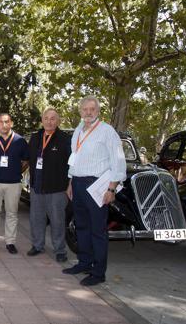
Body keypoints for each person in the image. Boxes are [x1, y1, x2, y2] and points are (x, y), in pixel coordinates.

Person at [63, 96, 126, 286]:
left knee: (98, 230)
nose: (88, 113)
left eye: (92, 109)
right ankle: (84, 263)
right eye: (85, 109)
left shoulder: (107, 132)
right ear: (80, 111)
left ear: (98, 111)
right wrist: (70, 182)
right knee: (81, 226)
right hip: (78, 184)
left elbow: (118, 161)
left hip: (98, 185)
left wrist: (111, 188)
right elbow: (74, 159)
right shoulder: (77, 131)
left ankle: (98, 273)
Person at [26, 108, 71, 262]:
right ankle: (37, 245)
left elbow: (72, 165)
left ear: (58, 121)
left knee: (57, 220)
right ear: (42, 120)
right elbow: (28, 159)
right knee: (36, 218)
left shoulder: (65, 139)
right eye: (46, 118)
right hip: (36, 186)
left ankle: (60, 250)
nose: (49, 121)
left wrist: (70, 185)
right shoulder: (35, 137)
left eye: (53, 119)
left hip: (57, 188)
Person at [0, 113, 29, 254]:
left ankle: (10, 242)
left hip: (13, 183)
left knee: (12, 213)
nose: (4, 125)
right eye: (1, 122)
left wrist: (16, 171)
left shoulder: (20, 141)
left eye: (7, 122)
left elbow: (26, 161)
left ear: (11, 123)